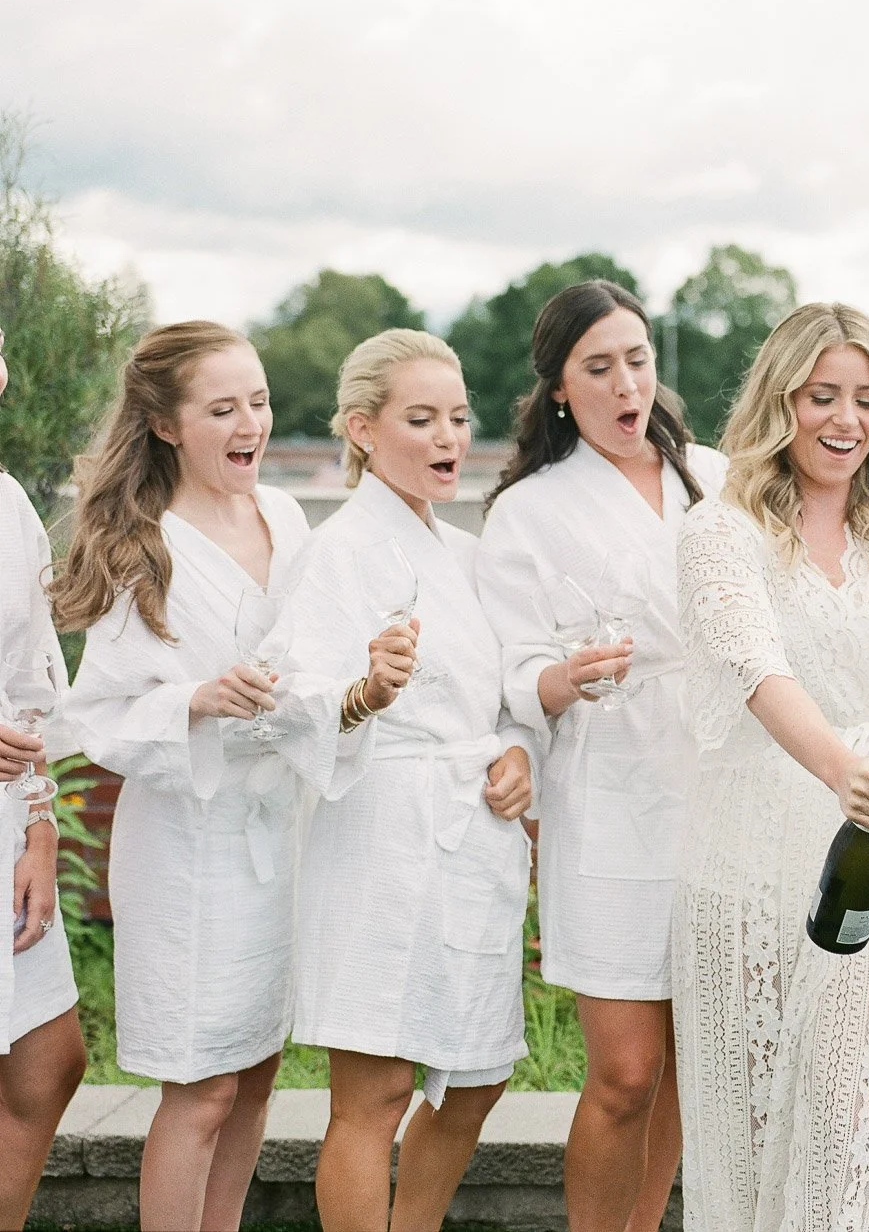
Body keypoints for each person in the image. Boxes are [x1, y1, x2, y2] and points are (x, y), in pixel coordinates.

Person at [671, 302, 869, 1230]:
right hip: (745, 856)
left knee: (848, 1115)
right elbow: (756, 669)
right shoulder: (719, 530)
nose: (846, 419)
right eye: (822, 395)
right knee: (750, 1129)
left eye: (867, 398)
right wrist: (841, 768)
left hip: (866, 853)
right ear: (780, 399)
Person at [268, 329, 533, 1232]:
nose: (448, 436)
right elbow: (288, 698)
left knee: (479, 1075)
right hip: (379, 836)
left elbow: (499, 697)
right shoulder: (336, 550)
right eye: (421, 419)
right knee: (375, 1093)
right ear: (363, 428)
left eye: (458, 417)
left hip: (469, 837)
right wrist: (365, 692)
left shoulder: (465, 554)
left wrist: (514, 751)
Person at [476, 280, 727, 1231]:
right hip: (610, 792)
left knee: (688, 1066)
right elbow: (513, 670)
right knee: (625, 1071)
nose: (626, 384)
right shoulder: (527, 511)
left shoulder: (718, 477)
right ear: (558, 388)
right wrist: (562, 678)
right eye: (599, 367)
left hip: (719, 787)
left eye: (637, 360)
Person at [54, 321, 309, 1231]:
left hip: (279, 833)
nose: (252, 424)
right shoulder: (141, 546)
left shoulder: (288, 517)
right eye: (223, 408)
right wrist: (195, 699)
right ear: (166, 425)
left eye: (260, 401)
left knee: (256, 1075)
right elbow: (96, 714)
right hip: (187, 848)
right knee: (202, 1089)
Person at [0, 322, 86, 1228]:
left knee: (48, 1062)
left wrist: (39, 824)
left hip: (2, 823)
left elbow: (29, 680)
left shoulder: (6, 502)